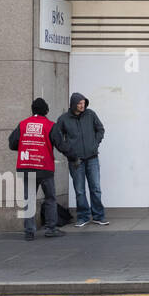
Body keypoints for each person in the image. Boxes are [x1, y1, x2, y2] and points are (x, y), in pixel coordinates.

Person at [8, 98, 64, 239]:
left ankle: (29, 232)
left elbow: (12, 143)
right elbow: (61, 145)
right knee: (50, 198)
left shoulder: (23, 124)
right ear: (46, 111)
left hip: (26, 167)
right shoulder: (50, 125)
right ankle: (51, 229)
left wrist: (26, 146)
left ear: (32, 110)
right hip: (44, 168)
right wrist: (74, 156)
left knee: (29, 200)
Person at [52, 92, 108, 228]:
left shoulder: (91, 114)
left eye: (83, 103)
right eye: (79, 103)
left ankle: (98, 216)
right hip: (75, 160)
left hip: (92, 158)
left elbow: (100, 129)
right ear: (73, 104)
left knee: (96, 188)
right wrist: (68, 152)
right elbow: (56, 137)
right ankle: (83, 216)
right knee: (79, 190)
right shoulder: (64, 119)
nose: (82, 106)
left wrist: (94, 144)